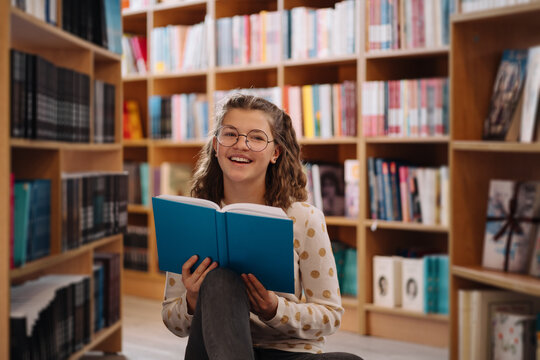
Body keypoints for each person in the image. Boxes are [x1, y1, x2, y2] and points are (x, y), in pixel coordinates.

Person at [161, 94, 363, 360]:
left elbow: (330, 316)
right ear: (216, 146)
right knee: (220, 281)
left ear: (275, 152)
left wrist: (274, 308)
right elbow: (172, 321)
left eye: (256, 137)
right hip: (213, 351)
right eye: (230, 134)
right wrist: (193, 300)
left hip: (286, 353)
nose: (241, 145)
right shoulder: (192, 217)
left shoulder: (303, 218)